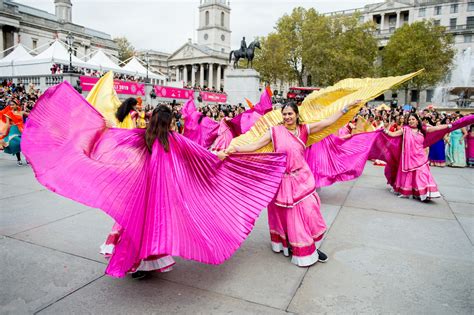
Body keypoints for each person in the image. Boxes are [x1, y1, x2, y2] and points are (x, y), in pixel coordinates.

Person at [22, 81, 287, 278]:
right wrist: (227, 155)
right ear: (171, 122)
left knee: (137, 224)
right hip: (163, 193)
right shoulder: (175, 140)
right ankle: (144, 262)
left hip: (140, 190)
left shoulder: (142, 136)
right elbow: (205, 156)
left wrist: (96, 138)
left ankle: (136, 264)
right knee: (156, 225)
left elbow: (113, 140)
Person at [224, 100, 360, 266]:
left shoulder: (304, 129)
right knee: (290, 218)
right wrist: (236, 149)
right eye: (285, 114)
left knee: (311, 211)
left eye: (290, 114)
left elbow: (327, 122)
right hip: (282, 180)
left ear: (296, 115)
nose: (287, 117)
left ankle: (308, 245)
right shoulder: (275, 131)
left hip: (302, 178)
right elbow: (256, 145)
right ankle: (301, 248)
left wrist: (346, 107)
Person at [383, 113, 453, 201]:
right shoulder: (405, 129)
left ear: (417, 120)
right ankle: (412, 192)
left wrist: (448, 126)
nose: (410, 121)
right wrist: (385, 131)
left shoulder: (422, 129)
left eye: (413, 119)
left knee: (423, 174)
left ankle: (425, 193)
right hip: (408, 157)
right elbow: (393, 134)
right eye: (409, 120)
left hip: (420, 157)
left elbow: (435, 128)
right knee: (409, 175)